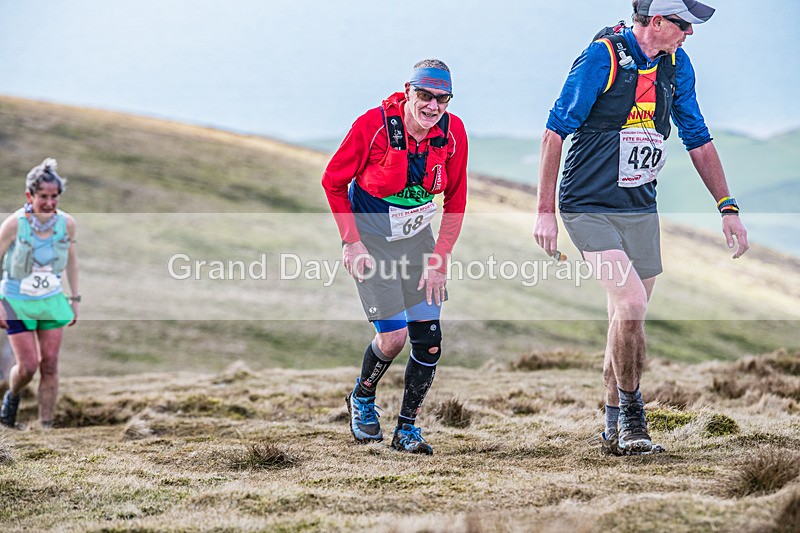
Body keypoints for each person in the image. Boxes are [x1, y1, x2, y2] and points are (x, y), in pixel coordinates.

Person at [533, 0, 748, 455]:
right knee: (630, 303)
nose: (689, 35)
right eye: (684, 25)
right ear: (657, 22)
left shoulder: (676, 66)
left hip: (639, 208)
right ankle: (633, 417)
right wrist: (545, 212)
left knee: (625, 316)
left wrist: (726, 205)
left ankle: (612, 425)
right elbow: (555, 132)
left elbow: (698, 136)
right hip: (588, 205)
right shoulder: (602, 58)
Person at [322, 59, 468, 455]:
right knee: (393, 337)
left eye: (442, 98)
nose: (432, 106)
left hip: (418, 242)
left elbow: (455, 201)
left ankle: (407, 429)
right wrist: (351, 242)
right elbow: (332, 182)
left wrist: (440, 257)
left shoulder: (453, 134)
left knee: (429, 341)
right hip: (372, 241)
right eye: (425, 95)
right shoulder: (372, 126)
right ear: (408, 90)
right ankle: (363, 397)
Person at [0, 158, 80, 429]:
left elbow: (71, 261)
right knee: (29, 366)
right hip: (15, 302)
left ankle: (46, 425)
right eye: (43, 196)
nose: (49, 202)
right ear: (29, 195)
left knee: (50, 365)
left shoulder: (66, 224)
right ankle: (12, 397)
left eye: (54, 196)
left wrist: (75, 298)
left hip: (51, 300)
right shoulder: (15, 224)